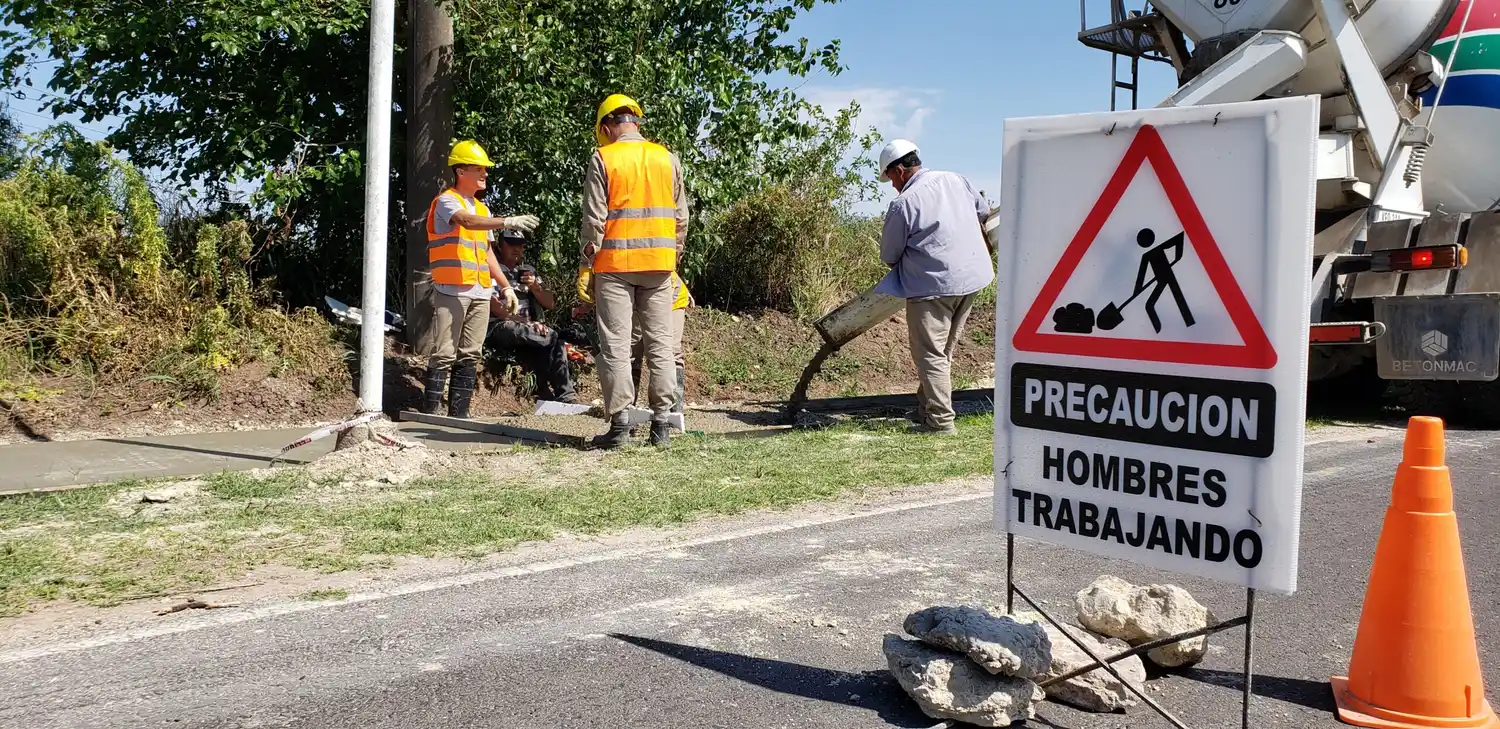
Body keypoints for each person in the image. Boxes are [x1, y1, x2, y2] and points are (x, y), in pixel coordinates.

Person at [578, 94, 689, 449]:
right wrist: (672, 257)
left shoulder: (604, 157)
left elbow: (594, 219)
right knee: (661, 346)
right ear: (636, 122)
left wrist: (585, 266)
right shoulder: (666, 158)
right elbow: (680, 218)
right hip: (659, 267)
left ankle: (621, 428)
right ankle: (661, 427)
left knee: (617, 346)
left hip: (615, 267)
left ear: (608, 127)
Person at [874, 139, 995, 436]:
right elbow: (984, 214)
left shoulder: (904, 203)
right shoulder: (956, 179)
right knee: (943, 352)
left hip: (932, 287)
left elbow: (889, 254)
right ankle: (926, 408)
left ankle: (940, 422)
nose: (892, 185)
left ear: (899, 170)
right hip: (972, 279)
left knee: (931, 355)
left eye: (890, 178)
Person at [422, 140, 541, 418]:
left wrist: (505, 286)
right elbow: (466, 222)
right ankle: (430, 411)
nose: (485, 174)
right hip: (453, 288)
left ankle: (458, 414)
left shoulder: (483, 209)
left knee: (470, 353)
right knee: (444, 352)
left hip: (480, 291)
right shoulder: (446, 201)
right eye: (479, 169)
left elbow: (487, 253)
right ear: (461, 171)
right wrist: (507, 222)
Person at [575, 265, 692, 413]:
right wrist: (585, 306)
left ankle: (672, 414)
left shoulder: (614, 270)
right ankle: (633, 412)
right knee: (632, 354)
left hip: (670, 301)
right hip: (644, 297)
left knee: (668, 351)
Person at [484, 229, 579, 403]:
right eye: (511, 244)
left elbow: (550, 303)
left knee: (555, 342)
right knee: (543, 335)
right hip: (499, 325)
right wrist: (523, 322)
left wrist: (535, 286)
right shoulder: (491, 269)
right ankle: (541, 388)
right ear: (499, 245)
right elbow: (491, 303)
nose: (516, 249)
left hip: (528, 328)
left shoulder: (527, 271)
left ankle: (567, 396)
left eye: (520, 245)